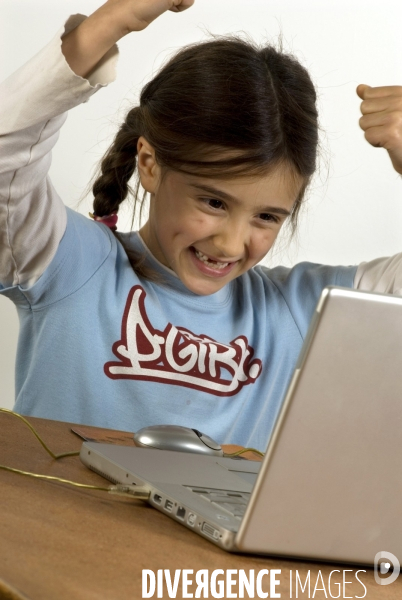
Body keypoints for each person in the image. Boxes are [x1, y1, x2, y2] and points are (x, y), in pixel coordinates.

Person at [1, 0, 402, 451]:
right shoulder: (70, 265)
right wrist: (107, 24)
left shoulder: (299, 312)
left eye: (266, 217)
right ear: (149, 164)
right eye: (213, 201)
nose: (230, 244)